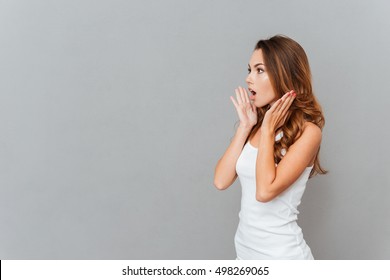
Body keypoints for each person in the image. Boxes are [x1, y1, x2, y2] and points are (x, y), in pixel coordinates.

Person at [214, 35, 327, 260]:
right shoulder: (256, 126)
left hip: (283, 258)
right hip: (246, 256)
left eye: (259, 70)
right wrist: (245, 127)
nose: (248, 79)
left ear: (283, 75)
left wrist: (267, 131)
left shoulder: (308, 132)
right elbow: (221, 181)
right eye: (249, 70)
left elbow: (265, 192)